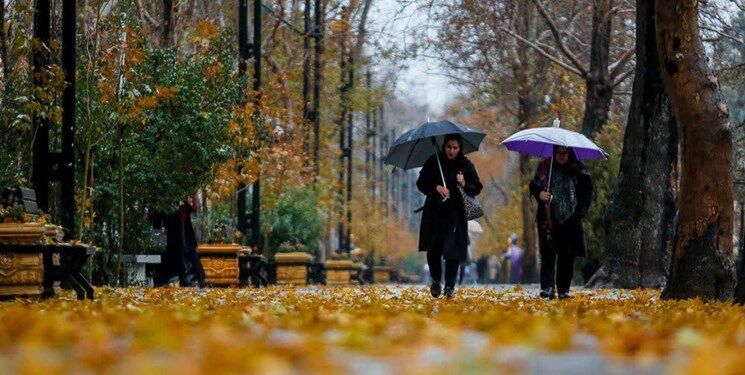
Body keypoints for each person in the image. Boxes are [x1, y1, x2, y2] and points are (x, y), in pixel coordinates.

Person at [417, 133, 483, 298]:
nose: (451, 151)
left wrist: (464, 183)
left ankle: (450, 287)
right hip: (434, 213)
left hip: (455, 215)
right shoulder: (434, 161)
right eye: (448, 147)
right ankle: (436, 280)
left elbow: (477, 187)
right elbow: (421, 183)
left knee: (453, 253)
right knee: (433, 251)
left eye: (455, 148)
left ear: (459, 148)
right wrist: (436, 188)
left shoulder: (466, 165)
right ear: (444, 146)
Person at [530, 146, 592, 299]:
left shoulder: (579, 169)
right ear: (554, 153)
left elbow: (587, 192)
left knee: (567, 256)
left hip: (571, 219)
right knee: (548, 254)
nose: (562, 156)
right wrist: (540, 194)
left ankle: (564, 289)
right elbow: (534, 185)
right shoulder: (545, 167)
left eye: (565, 153)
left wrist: (580, 212)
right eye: (559, 152)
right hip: (548, 217)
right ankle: (547, 288)